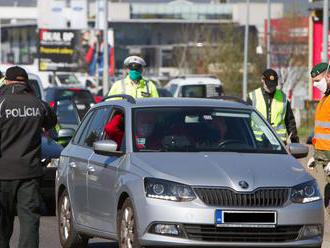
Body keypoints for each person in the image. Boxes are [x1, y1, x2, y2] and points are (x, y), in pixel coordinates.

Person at [0, 66, 57, 248]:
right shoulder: (38, 104)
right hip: (29, 173)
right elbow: (51, 122)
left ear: (7, 82)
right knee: (29, 221)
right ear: (25, 82)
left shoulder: (1, 103)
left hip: (2, 173)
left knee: (2, 223)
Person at [247, 68, 299, 143]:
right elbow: (246, 121)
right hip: (257, 142)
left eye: (273, 85)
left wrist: (295, 142)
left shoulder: (283, 97)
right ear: (262, 80)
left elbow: (290, 121)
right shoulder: (253, 97)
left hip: (279, 143)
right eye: (269, 85)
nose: (271, 88)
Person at [308, 62, 330, 210]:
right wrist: (316, 156)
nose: (315, 85)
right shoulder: (325, 98)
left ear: (328, 76)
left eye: (317, 81)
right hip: (325, 158)